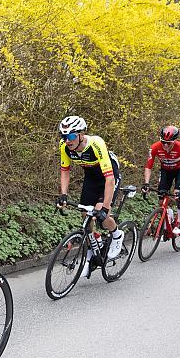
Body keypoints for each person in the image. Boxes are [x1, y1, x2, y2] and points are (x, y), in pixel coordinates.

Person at [55, 116, 124, 278]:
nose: (67, 140)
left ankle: (116, 234)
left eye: (71, 136)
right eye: (64, 137)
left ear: (81, 134)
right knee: (86, 214)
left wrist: (105, 207)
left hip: (109, 174)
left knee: (101, 213)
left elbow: (110, 179)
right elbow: (65, 171)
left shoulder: (95, 143)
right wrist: (63, 194)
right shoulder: (64, 147)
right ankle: (94, 246)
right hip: (91, 177)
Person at [142, 125, 180, 234]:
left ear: (175, 141)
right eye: (163, 142)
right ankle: (169, 216)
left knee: (177, 195)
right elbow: (148, 167)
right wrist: (146, 183)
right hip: (165, 171)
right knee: (161, 199)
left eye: (169, 143)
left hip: (179, 172)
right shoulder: (154, 147)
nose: (165, 145)